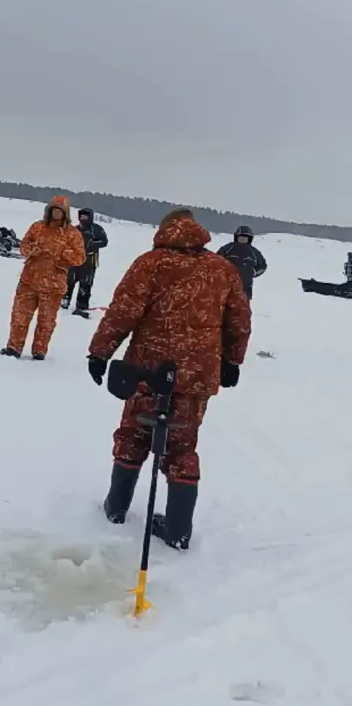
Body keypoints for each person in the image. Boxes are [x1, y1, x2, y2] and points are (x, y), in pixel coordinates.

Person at [86, 207, 251, 550]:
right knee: (182, 445)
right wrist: (232, 360)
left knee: (133, 432)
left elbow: (122, 311)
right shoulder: (222, 269)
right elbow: (239, 318)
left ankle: (116, 507)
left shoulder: (151, 262)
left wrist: (100, 352)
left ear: (166, 229)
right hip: (197, 376)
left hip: (147, 370)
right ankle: (178, 528)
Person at [0, 195, 85, 360]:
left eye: (60, 211)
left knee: (46, 322)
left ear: (65, 213)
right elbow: (23, 246)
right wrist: (33, 249)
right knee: (19, 317)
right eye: (54, 210)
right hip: (29, 281)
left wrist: (63, 251)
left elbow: (80, 258)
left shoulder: (73, 234)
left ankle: (39, 351)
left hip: (53, 286)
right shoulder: (37, 227)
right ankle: (13, 348)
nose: (56, 214)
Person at [61, 208, 108, 318]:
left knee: (85, 285)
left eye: (85, 217)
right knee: (69, 282)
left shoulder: (96, 229)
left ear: (90, 217)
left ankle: (81, 306)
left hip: (90, 261)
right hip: (74, 261)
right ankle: (64, 302)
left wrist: (92, 243)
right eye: (81, 216)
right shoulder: (75, 229)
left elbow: (104, 242)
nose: (83, 219)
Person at [217, 225, 267, 300]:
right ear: (236, 237)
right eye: (240, 238)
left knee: (243, 310)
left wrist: (254, 272)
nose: (242, 240)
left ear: (249, 239)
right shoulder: (228, 248)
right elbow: (216, 260)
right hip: (226, 286)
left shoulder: (254, 252)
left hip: (245, 287)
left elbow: (263, 266)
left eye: (245, 238)